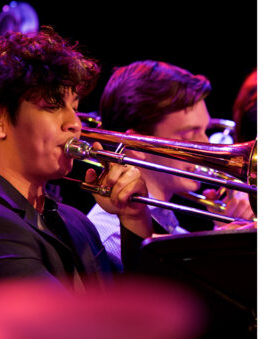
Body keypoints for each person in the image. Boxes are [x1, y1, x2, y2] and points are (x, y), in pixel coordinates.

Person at [0, 28, 152, 290]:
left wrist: (133, 215)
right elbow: (84, 328)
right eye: (53, 106)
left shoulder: (75, 222)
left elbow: (135, 306)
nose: (75, 124)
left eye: (75, 107)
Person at [87, 60, 256, 272]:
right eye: (190, 134)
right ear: (138, 146)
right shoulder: (110, 234)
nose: (208, 146)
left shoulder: (174, 230)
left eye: (205, 130)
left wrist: (223, 232)